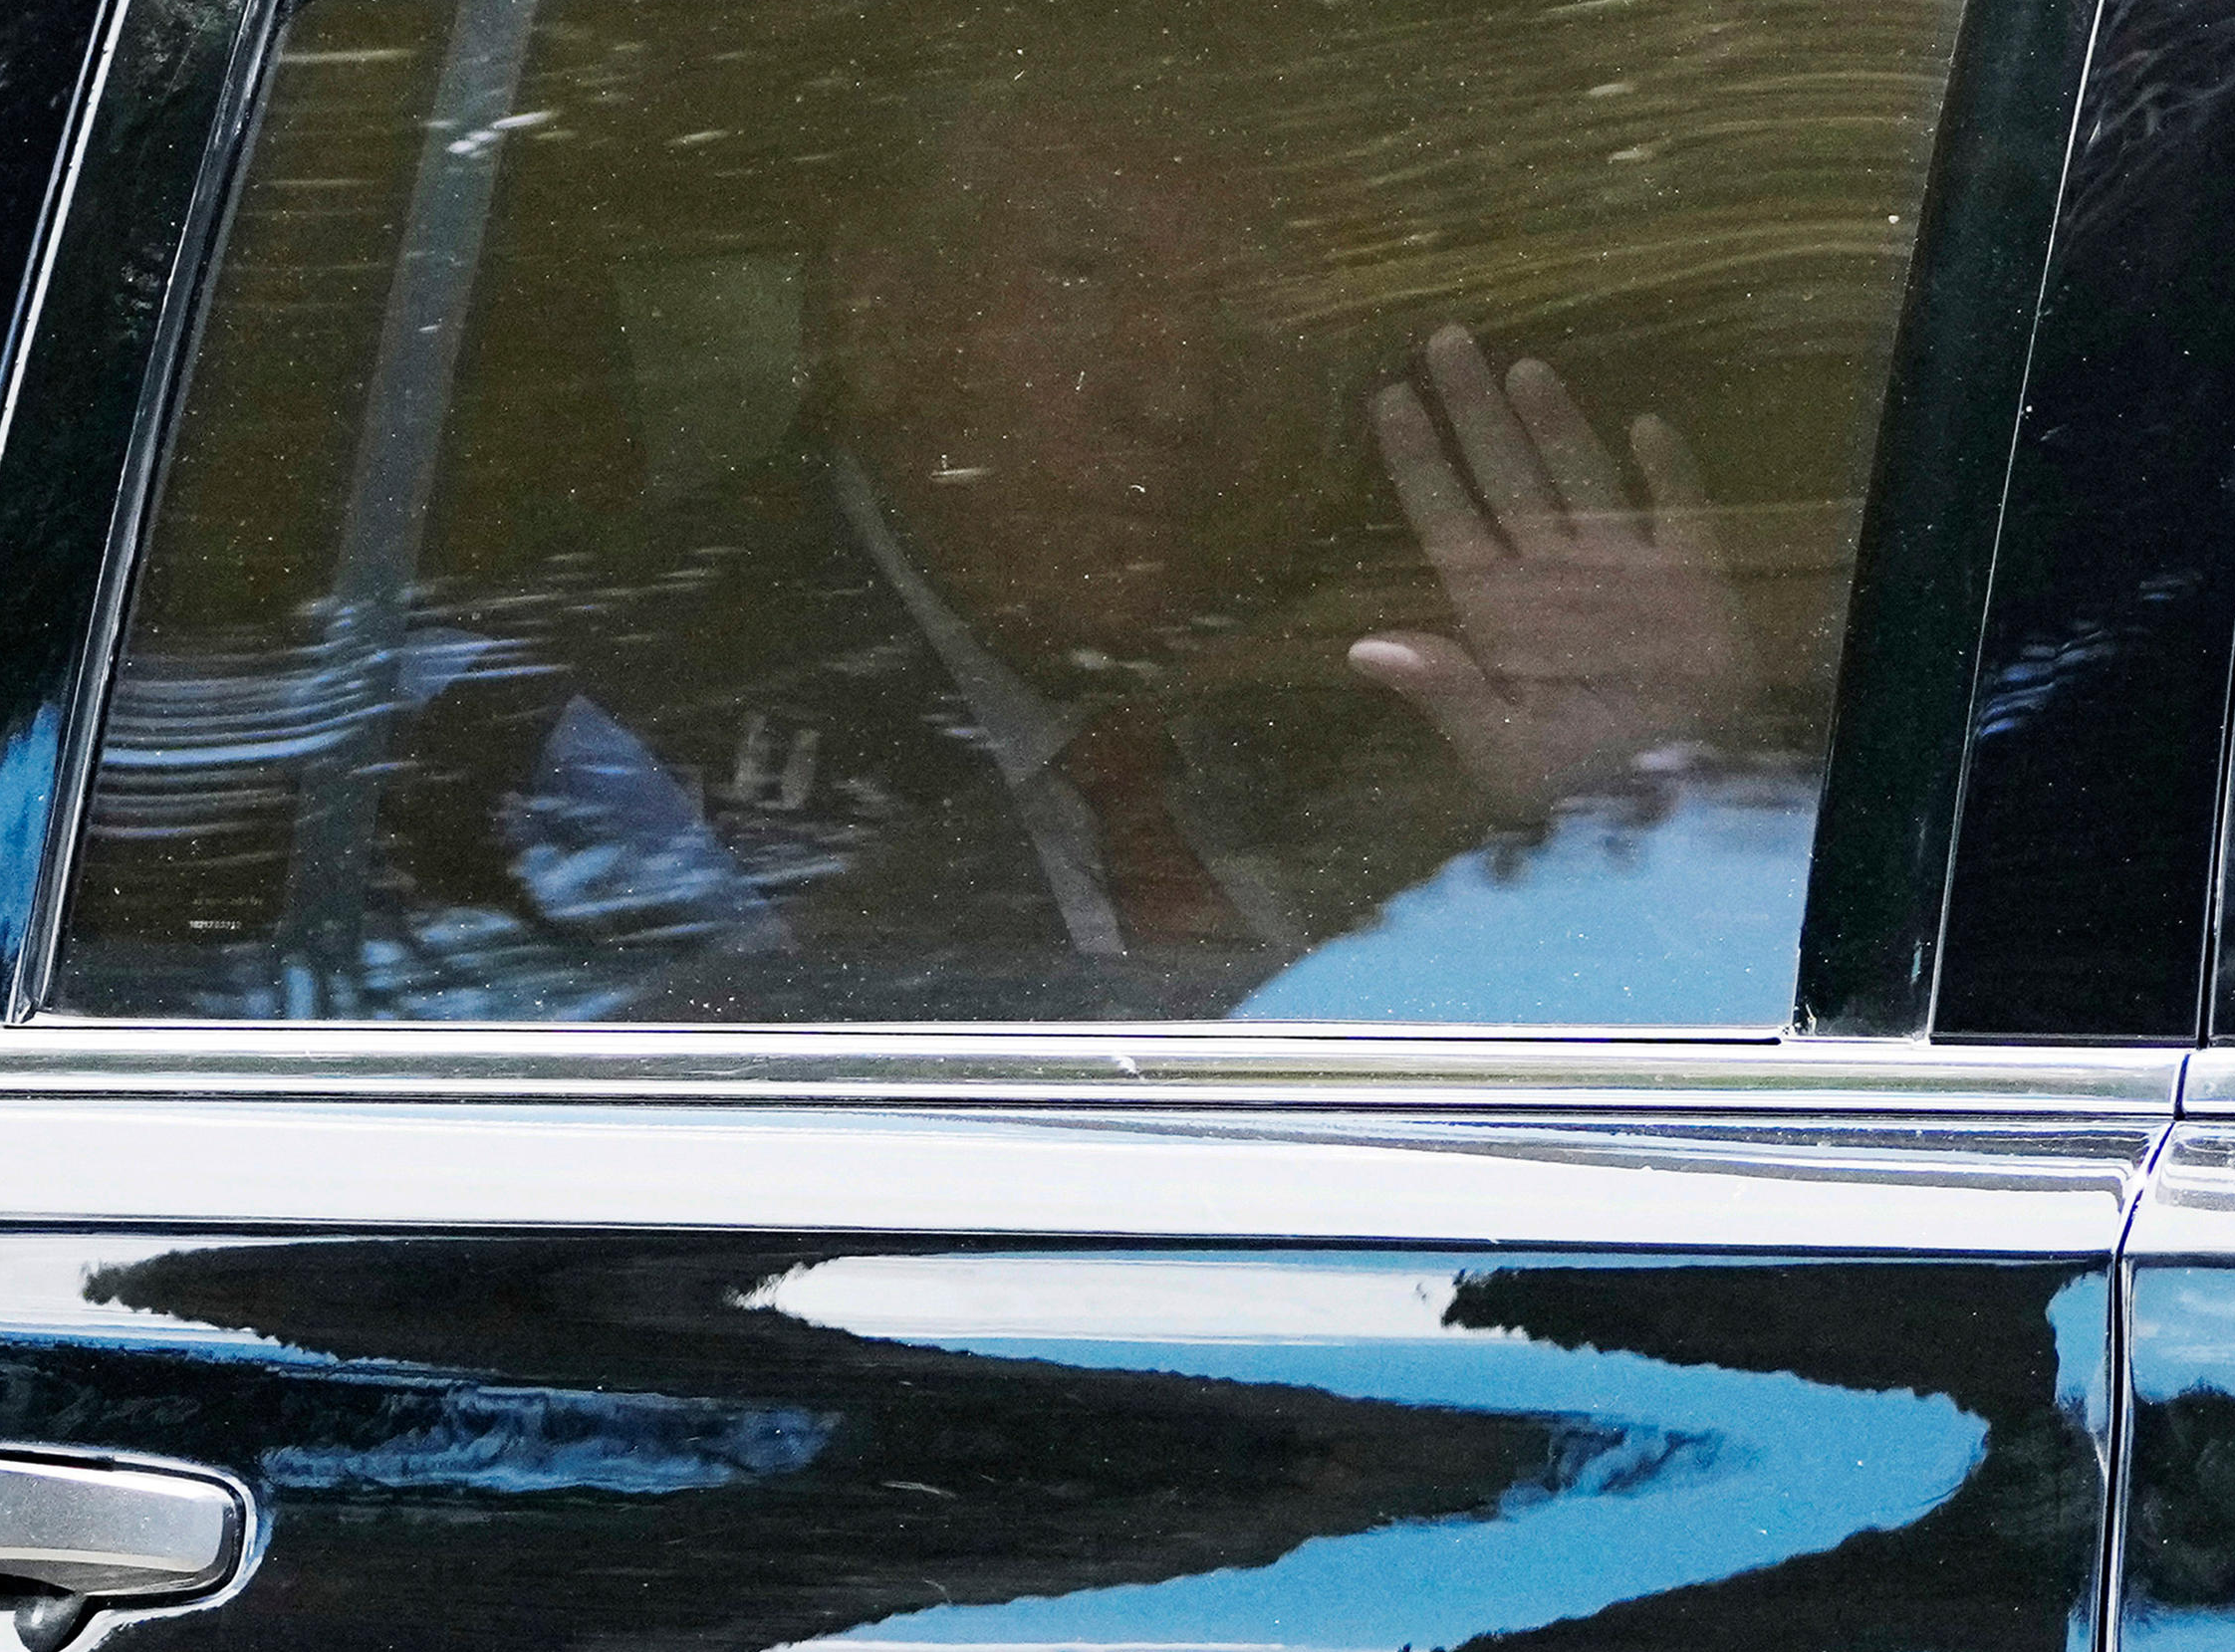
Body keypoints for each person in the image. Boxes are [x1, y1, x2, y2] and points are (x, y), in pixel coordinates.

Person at [143, 96, 1792, 1026]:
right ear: (874, 308)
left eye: (1260, 298)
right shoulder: (581, 736)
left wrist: (1660, 807)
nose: (1176, 380)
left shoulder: (1367, 693)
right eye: (1082, 273)